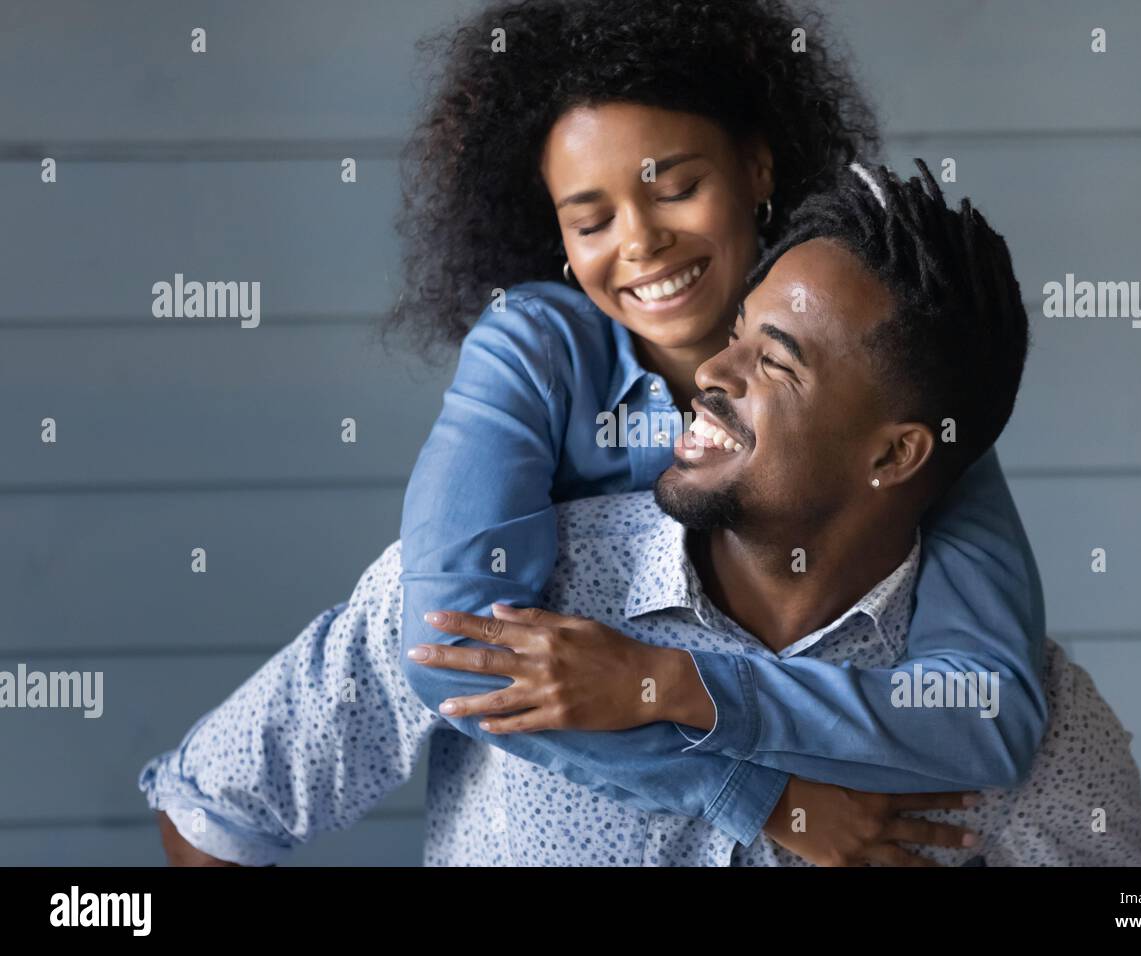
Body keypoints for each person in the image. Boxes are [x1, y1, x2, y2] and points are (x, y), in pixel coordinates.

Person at [144, 0, 1049, 861]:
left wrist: (672, 684)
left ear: (759, 168)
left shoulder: (888, 388)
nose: (642, 243)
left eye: (678, 187)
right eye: (591, 219)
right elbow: (455, 655)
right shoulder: (535, 353)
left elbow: (992, 711)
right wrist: (767, 799)